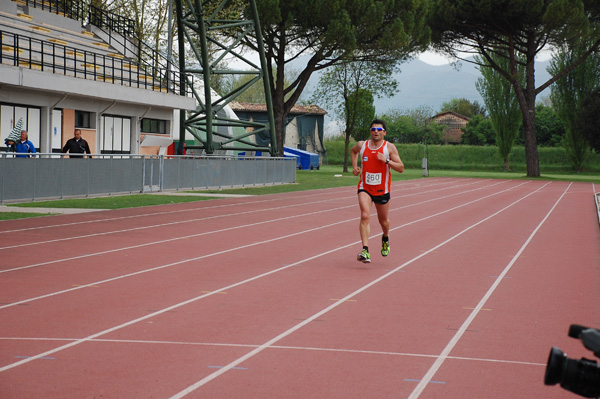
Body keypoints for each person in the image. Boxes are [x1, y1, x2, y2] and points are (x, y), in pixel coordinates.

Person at [350, 119, 404, 263]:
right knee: (365, 215)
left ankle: (385, 237)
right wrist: (355, 167)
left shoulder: (389, 148)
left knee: (383, 221)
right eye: (373, 129)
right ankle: (365, 250)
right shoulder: (362, 145)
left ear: (384, 133)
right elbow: (353, 151)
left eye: (379, 130)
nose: (376, 132)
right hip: (365, 187)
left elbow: (401, 168)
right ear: (370, 131)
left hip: (382, 190)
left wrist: (386, 161)